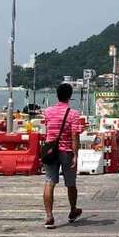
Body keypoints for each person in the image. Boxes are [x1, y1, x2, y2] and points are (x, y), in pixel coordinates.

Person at [42, 82, 84, 228]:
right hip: (66, 152)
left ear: (57, 95)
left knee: (49, 182)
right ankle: (73, 210)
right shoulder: (74, 114)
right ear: (70, 96)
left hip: (50, 152)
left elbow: (47, 130)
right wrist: (76, 155)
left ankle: (49, 217)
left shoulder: (47, 112)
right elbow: (75, 136)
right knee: (71, 183)